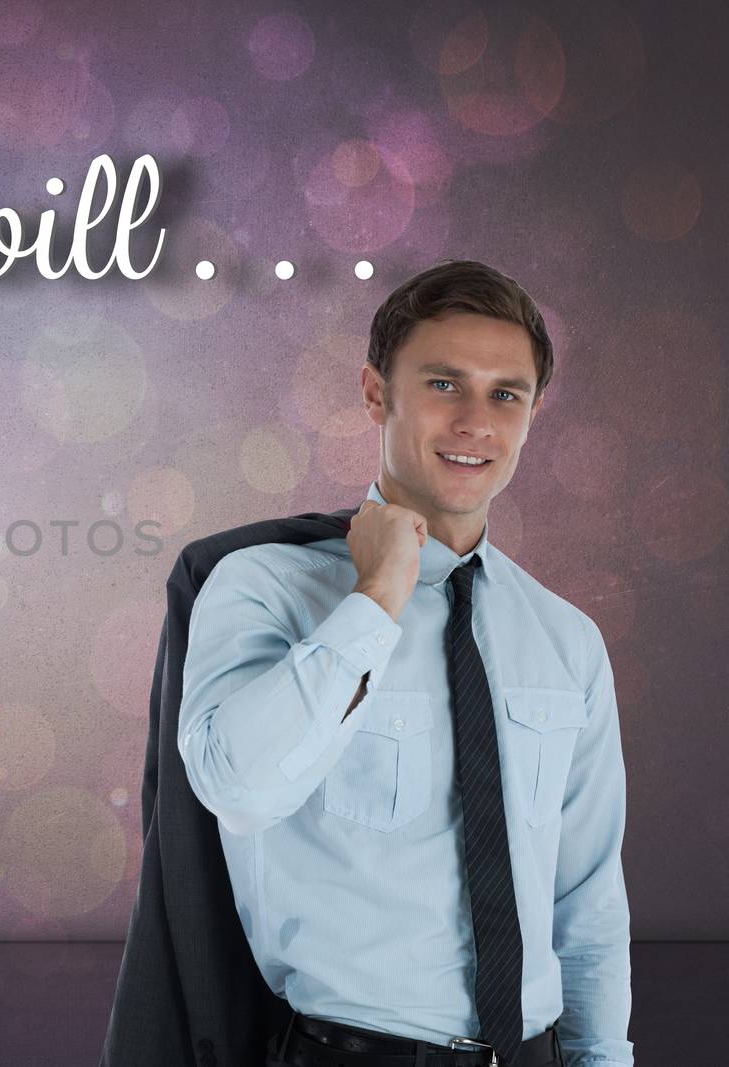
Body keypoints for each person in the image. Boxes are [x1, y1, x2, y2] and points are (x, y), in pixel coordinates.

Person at [176, 260, 634, 1066]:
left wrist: (603, 1057)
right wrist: (378, 597)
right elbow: (238, 790)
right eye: (444, 384)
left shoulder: (567, 640)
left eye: (506, 393)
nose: (476, 422)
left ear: (531, 416)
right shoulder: (261, 588)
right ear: (375, 392)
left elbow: (586, 894)